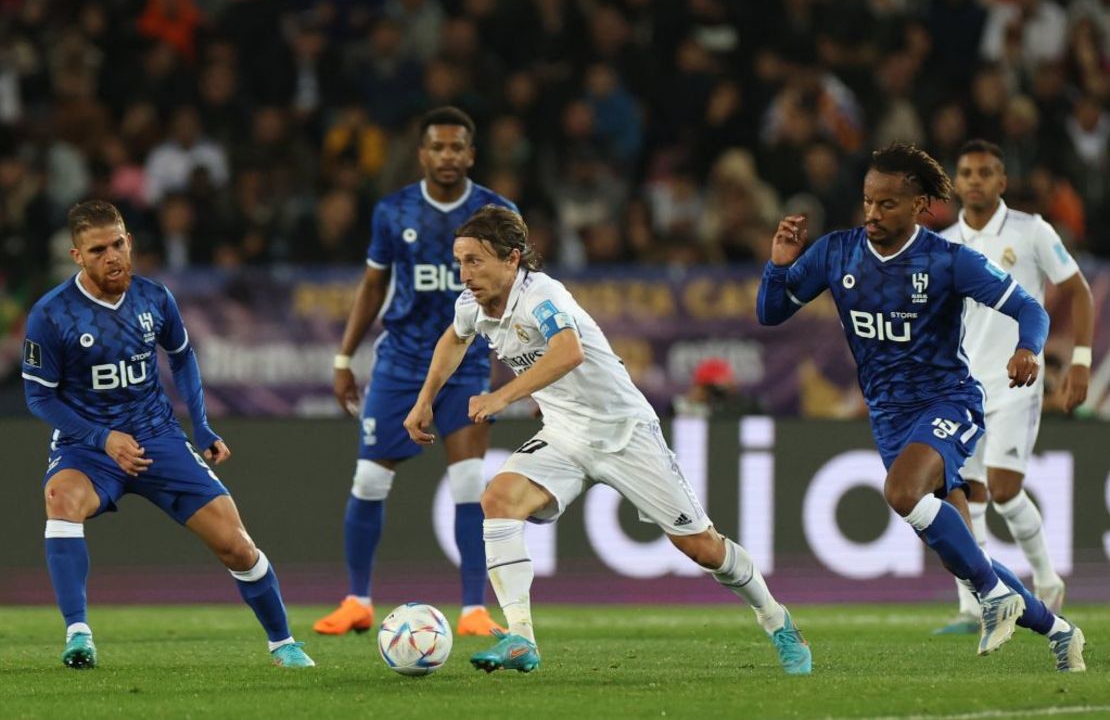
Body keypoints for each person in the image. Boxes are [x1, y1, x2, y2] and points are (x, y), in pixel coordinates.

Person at [402, 205, 812, 675]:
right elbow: (454, 339)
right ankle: (521, 638)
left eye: (475, 261)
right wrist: (424, 400)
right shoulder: (472, 303)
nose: (464, 273)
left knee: (704, 548)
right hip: (564, 434)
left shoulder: (542, 295)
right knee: (497, 499)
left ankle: (776, 618)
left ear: (512, 259)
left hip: (624, 433)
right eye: (460, 261)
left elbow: (568, 351)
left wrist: (503, 396)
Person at [756, 143, 1085, 672]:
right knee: (965, 553)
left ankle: (993, 597)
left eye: (887, 204)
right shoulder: (837, 253)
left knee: (902, 492)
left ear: (919, 207)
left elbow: (1029, 307)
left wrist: (1029, 348)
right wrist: (777, 265)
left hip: (949, 401)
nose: (872, 214)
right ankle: (1059, 630)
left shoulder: (947, 260)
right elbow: (770, 313)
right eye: (867, 201)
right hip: (890, 420)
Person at [21, 200, 313, 669]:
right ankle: (78, 635)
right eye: (98, 250)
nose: (112, 257)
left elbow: (182, 357)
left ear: (129, 241)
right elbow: (40, 398)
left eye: (118, 244)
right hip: (88, 447)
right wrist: (102, 438)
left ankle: (284, 643)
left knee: (236, 544)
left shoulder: (154, 298)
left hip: (159, 438)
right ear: (77, 256)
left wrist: (200, 426)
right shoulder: (51, 315)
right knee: (60, 499)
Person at [314, 107, 516, 638]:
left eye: (457, 148)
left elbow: (518, 294)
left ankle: (474, 609)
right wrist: (343, 357)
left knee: (471, 481)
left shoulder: (496, 214)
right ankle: (357, 600)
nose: (447, 156)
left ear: (471, 154)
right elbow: (374, 287)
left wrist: (523, 363)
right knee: (370, 479)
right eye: (438, 147)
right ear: (422, 154)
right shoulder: (392, 211)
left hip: (467, 361)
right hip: (400, 363)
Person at [933, 139, 1094, 633]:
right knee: (965, 494)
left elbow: (1078, 290)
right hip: (964, 385)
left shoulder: (1030, 231)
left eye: (985, 172)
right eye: (966, 172)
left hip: (1017, 381)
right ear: (956, 183)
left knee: (1004, 489)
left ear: (1002, 182)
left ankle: (1045, 579)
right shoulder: (942, 243)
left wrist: (1081, 362)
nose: (975, 180)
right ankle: (973, 606)